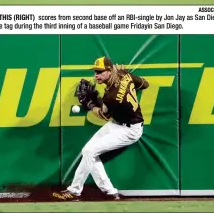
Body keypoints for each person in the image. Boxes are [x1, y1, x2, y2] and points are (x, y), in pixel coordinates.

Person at [52, 56, 149, 201]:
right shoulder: (124, 75)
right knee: (88, 152)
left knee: (90, 151)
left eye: (100, 71)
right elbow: (145, 84)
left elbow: (103, 115)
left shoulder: (112, 96)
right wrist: (128, 76)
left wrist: (89, 104)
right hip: (118, 123)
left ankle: (74, 191)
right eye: (95, 72)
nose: (96, 75)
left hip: (130, 130)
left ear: (110, 71)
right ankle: (110, 192)